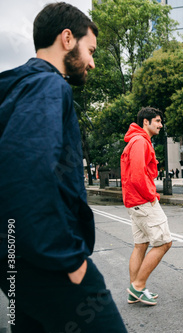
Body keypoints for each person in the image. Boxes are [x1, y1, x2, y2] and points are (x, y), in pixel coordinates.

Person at [0, 3, 127, 331]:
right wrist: (68, 258)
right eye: (91, 50)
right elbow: (26, 174)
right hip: (45, 256)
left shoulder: (16, 90)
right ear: (67, 38)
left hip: (16, 257)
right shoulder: (49, 86)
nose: (93, 62)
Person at [121, 107, 173, 305]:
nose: (160, 125)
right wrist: (152, 196)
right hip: (143, 201)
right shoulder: (140, 142)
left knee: (141, 245)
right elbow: (137, 175)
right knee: (164, 243)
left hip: (134, 202)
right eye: (157, 121)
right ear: (146, 122)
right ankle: (138, 287)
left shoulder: (137, 140)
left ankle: (133, 289)